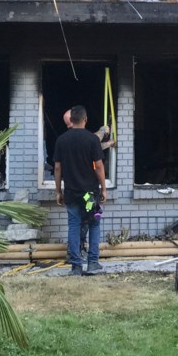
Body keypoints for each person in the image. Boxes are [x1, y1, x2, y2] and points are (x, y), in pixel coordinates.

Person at [54, 105, 107, 276]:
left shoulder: (61, 140)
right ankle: (92, 263)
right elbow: (99, 167)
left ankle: (76, 266)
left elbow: (57, 168)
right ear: (85, 120)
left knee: (73, 225)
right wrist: (104, 189)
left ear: (71, 120)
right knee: (94, 223)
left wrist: (58, 191)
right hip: (89, 193)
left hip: (71, 192)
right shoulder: (92, 140)